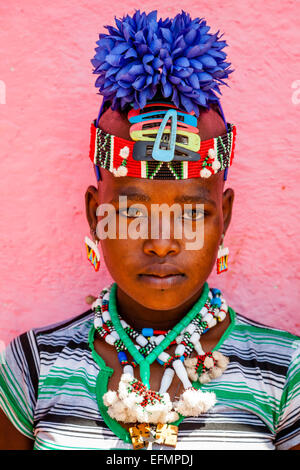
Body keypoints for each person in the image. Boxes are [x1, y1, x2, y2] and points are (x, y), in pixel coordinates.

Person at [0, 10, 299, 451]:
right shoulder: (34, 365)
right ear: (93, 214)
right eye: (131, 213)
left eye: (192, 213)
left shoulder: (285, 371)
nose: (162, 242)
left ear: (226, 217)